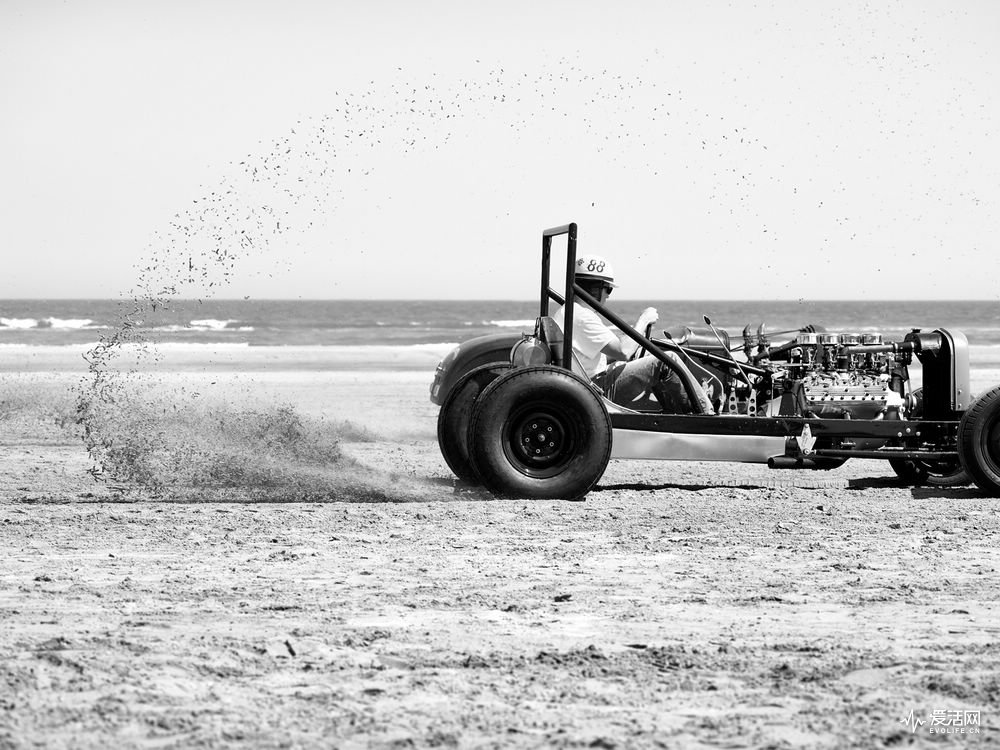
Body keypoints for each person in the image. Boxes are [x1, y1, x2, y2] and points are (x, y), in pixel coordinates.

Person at [553, 254, 715, 414]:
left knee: (647, 355)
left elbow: (601, 352)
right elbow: (623, 351)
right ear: (594, 289)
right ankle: (706, 412)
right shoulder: (582, 316)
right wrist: (643, 320)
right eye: (608, 289)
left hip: (584, 385)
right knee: (667, 360)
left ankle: (678, 413)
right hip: (595, 391)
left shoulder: (568, 311)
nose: (608, 295)